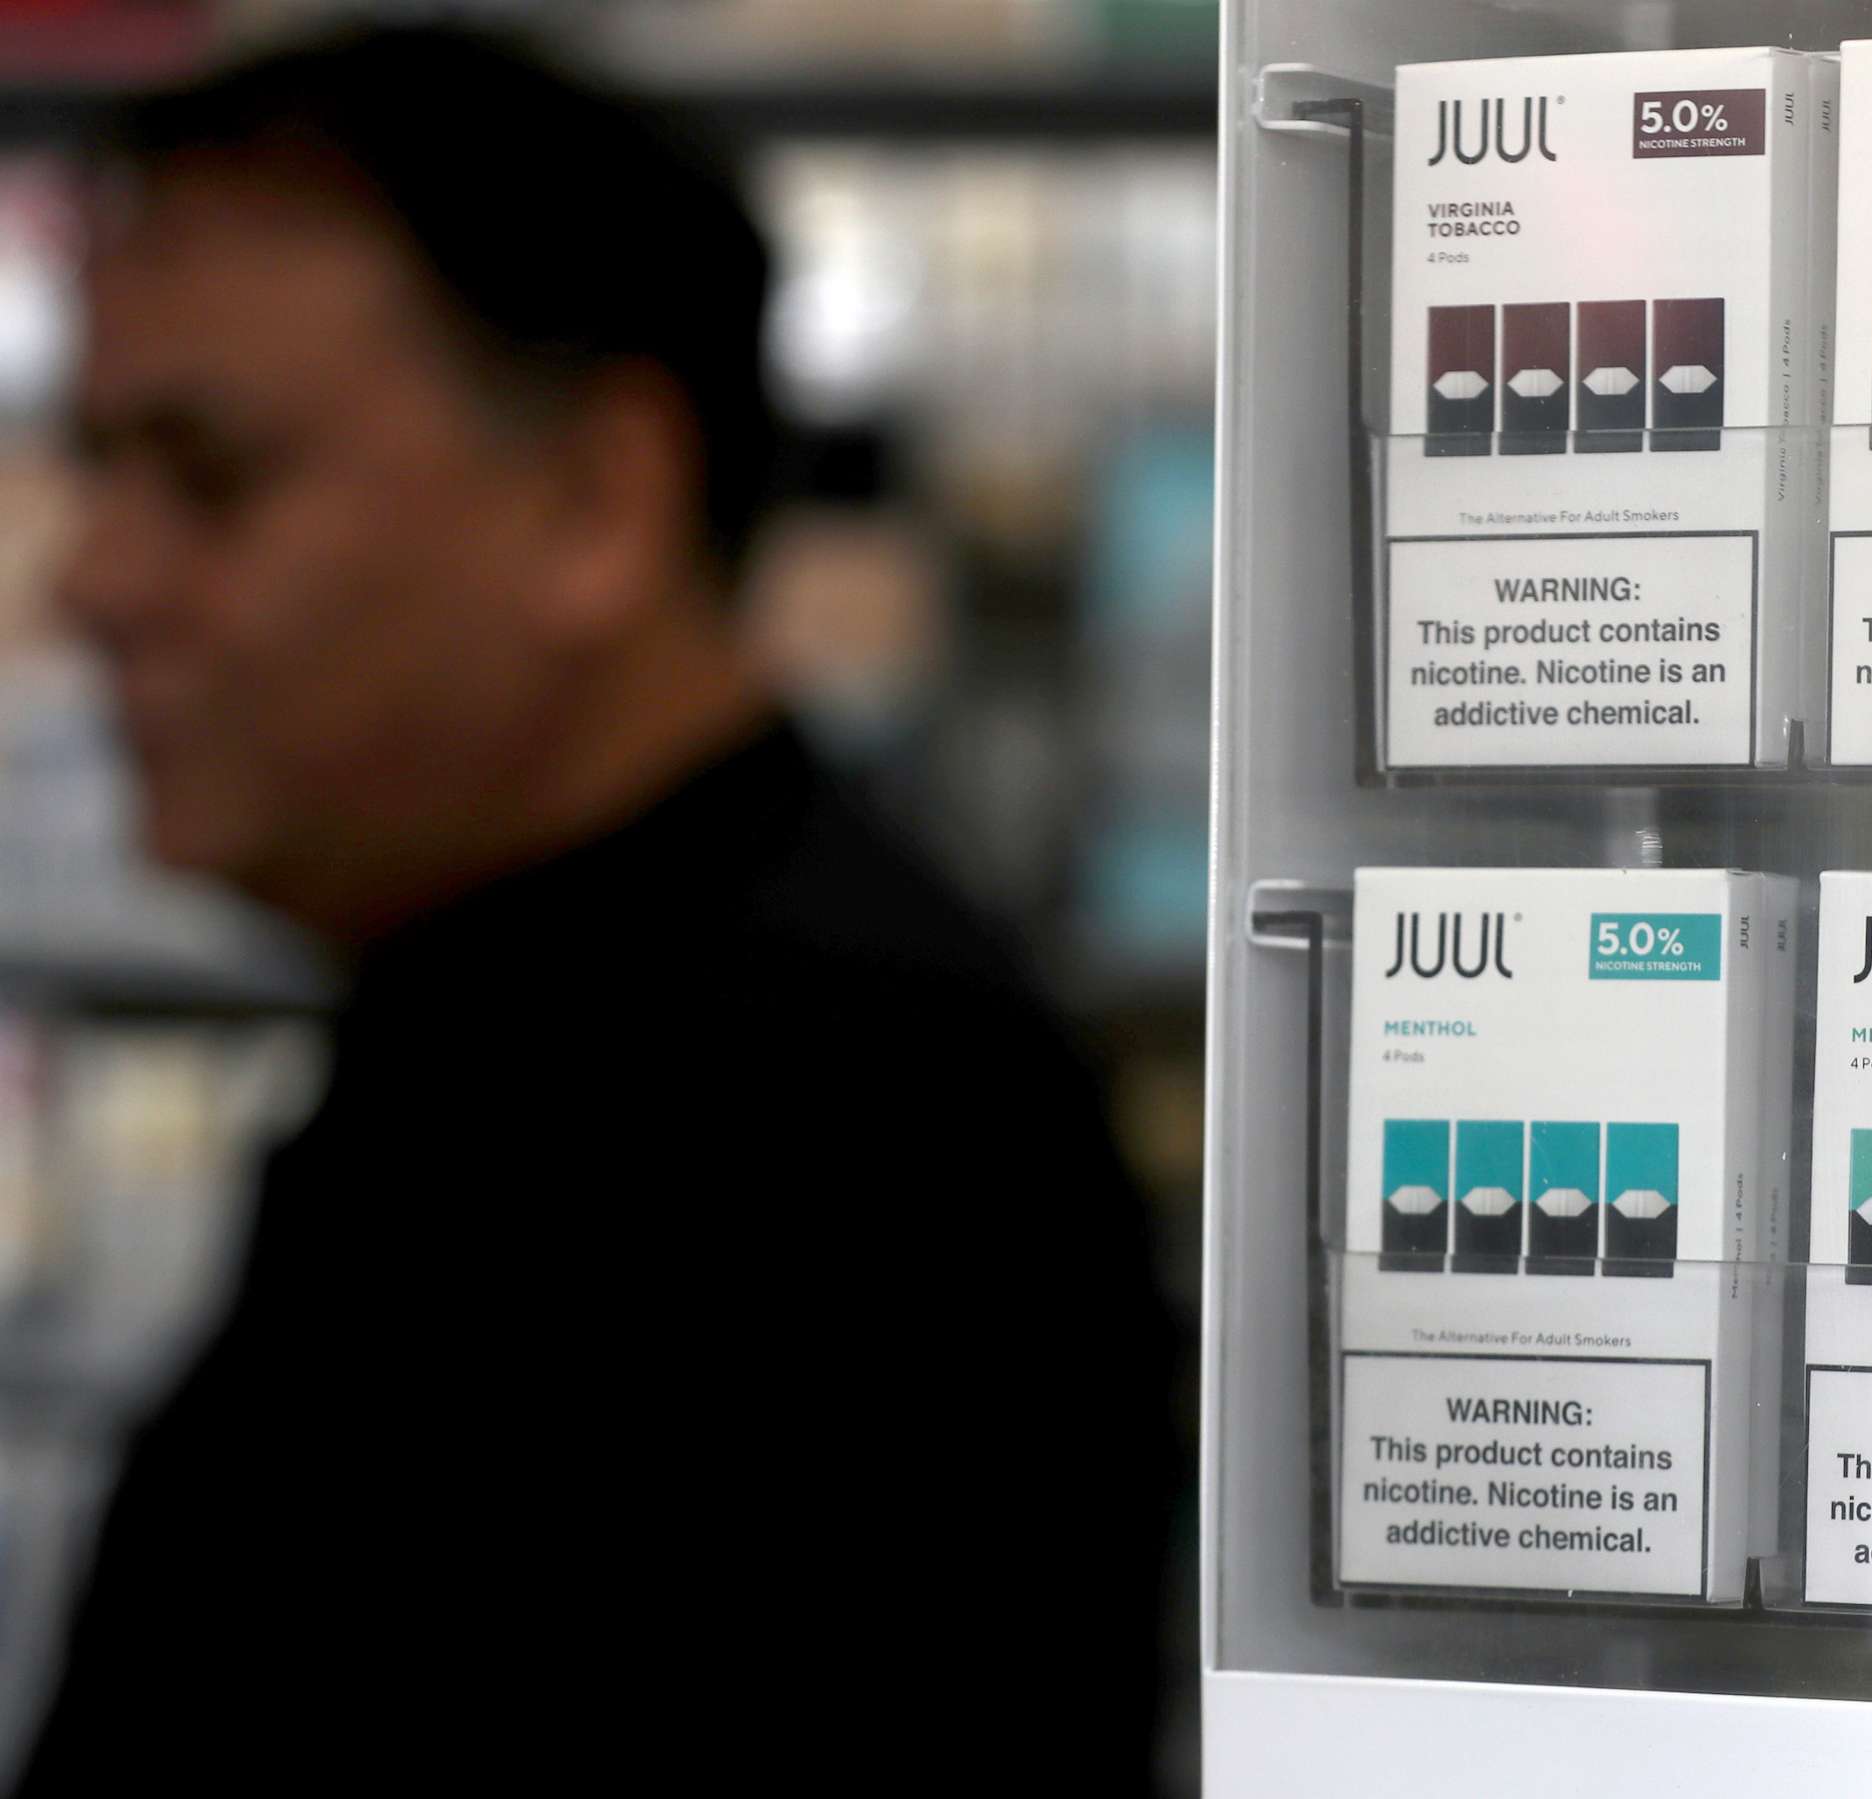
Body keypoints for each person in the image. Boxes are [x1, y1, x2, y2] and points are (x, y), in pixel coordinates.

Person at [21, 27, 1171, 1789]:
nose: (97, 579)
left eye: (206, 476)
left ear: (598, 500)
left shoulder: (822, 1130)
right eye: (94, 466)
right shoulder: (540, 1026)